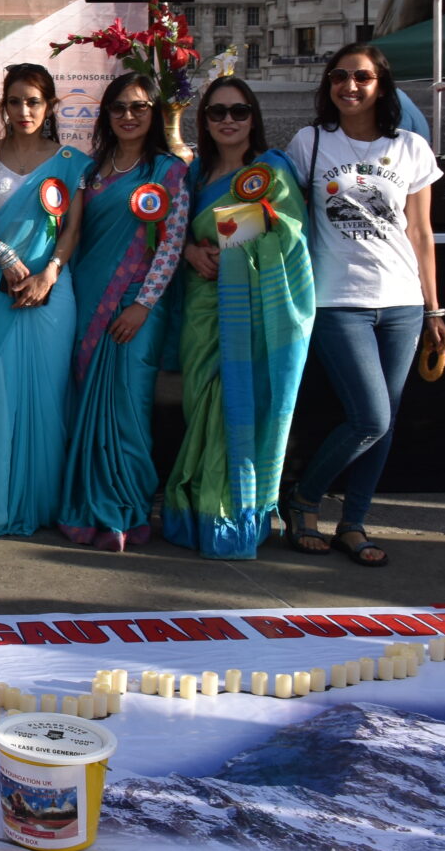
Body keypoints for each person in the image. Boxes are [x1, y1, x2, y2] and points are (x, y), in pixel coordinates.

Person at [284, 43, 445, 568]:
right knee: (371, 417)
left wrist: (434, 308)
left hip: (402, 303)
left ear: (382, 85)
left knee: (385, 421)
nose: (349, 86)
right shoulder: (310, 142)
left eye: (361, 77)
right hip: (337, 301)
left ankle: (353, 522)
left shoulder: (411, 148)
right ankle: (304, 498)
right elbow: (284, 215)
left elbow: (421, 233)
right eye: (339, 76)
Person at [164, 77, 315, 560]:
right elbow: (173, 232)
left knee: (238, 410)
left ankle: (230, 521)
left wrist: (226, 242)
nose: (228, 120)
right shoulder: (194, 175)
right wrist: (191, 251)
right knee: (202, 409)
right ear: (204, 121)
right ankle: (197, 514)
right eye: (217, 112)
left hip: (252, 312)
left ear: (254, 117)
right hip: (201, 308)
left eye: (239, 111)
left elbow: (290, 233)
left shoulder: (272, 169)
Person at [55, 73, 190, 552]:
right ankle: (90, 508)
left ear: (154, 112)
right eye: (119, 107)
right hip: (88, 302)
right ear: (106, 114)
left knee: (129, 410)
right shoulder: (91, 171)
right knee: (87, 408)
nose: (128, 116)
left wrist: (142, 305)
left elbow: (171, 245)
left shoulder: (169, 171)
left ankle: (127, 513)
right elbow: (73, 236)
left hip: (138, 309)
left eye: (139, 107)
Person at [0, 64, 87, 539]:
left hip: (52, 291)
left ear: (49, 106)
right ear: (4, 106)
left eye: (33, 101)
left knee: (49, 395)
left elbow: (72, 230)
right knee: (0, 393)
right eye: (14, 101)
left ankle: (44, 504)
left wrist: (49, 274)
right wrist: (6, 257)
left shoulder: (72, 161)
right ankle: (0, 506)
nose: (23, 111)